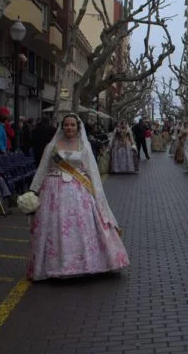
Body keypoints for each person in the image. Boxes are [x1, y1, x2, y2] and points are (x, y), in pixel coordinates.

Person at [26, 113, 130, 281]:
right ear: (62, 126)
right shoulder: (51, 147)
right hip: (54, 192)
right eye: (66, 125)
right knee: (55, 226)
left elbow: (92, 172)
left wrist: (98, 195)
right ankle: (56, 266)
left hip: (79, 192)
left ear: (78, 127)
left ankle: (85, 264)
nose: (69, 128)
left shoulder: (84, 146)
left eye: (72, 125)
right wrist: (33, 191)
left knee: (80, 226)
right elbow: (42, 169)